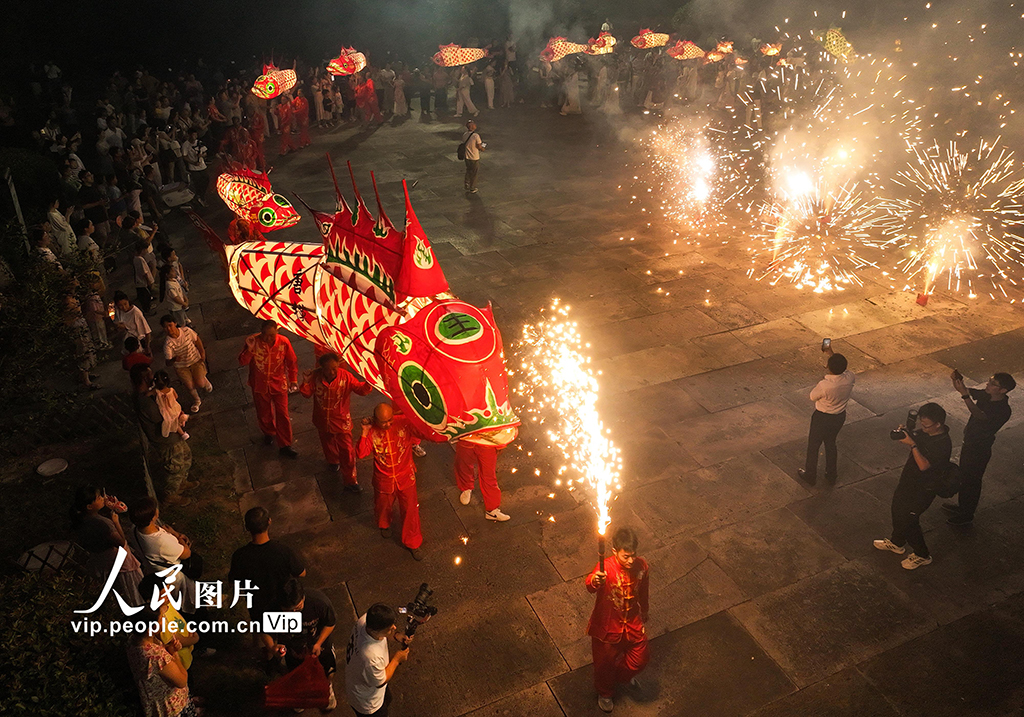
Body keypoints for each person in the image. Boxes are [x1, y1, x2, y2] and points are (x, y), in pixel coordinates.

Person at [874, 402, 952, 570]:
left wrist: (913, 444)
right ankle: (897, 542)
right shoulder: (927, 433)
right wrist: (905, 434)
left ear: (938, 424)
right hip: (908, 481)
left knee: (909, 519)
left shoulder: (942, 444)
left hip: (923, 488)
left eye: (926, 425)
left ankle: (922, 554)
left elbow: (924, 465)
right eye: (921, 423)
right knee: (897, 509)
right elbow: (909, 437)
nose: (922, 428)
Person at [586, 527, 650, 713]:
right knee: (604, 662)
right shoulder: (605, 568)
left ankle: (621, 675)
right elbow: (591, 584)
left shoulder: (642, 566)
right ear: (615, 551)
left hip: (632, 623)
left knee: (640, 658)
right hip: (607, 625)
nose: (631, 560)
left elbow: (643, 590)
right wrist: (595, 581)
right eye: (626, 556)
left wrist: (644, 610)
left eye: (633, 555)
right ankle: (605, 692)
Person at [943, 371, 1015, 525]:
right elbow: (970, 392)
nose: (988, 385)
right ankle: (963, 507)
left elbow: (979, 415)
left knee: (971, 481)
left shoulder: (1002, 410)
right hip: (970, 443)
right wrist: (959, 384)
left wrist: (965, 396)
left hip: (979, 449)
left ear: (1003, 390)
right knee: (965, 477)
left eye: (993, 384)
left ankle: (967, 514)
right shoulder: (987, 396)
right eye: (989, 381)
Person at [357, 403, 424, 560]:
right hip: (384, 478)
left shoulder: (403, 423)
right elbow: (361, 453)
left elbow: (421, 433)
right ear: (375, 420)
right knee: (383, 505)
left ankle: (413, 542)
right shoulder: (372, 430)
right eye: (383, 421)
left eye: (390, 420)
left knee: (411, 511)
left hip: (405, 476)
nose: (387, 424)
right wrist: (364, 431)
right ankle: (384, 523)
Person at [228, 507, 306, 639]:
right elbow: (301, 573)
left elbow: (234, 583)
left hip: (257, 605)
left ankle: (268, 655)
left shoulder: (240, 556)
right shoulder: (282, 551)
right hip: (282, 602)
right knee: (285, 637)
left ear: (247, 527)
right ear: (269, 522)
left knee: (264, 638)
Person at [300, 351, 372, 487]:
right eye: (328, 369)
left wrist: (368, 382)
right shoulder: (315, 377)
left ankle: (351, 480)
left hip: (341, 421)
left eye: (335, 368)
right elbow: (306, 393)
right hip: (321, 419)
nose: (332, 372)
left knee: (347, 451)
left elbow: (360, 390)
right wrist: (305, 380)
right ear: (322, 368)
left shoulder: (346, 377)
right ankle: (333, 461)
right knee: (327, 442)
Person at [126, 582, 196, 717]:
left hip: (154, 703)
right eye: (160, 619)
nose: (163, 620)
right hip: (172, 708)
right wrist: (175, 655)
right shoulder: (155, 656)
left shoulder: (133, 642)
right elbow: (182, 680)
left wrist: (169, 648)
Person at [266, 578, 338, 711]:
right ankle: (300, 698)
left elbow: (330, 623)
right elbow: (265, 631)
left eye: (298, 608)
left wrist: (318, 643)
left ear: (303, 597)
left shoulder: (319, 602)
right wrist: (272, 647)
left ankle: (327, 691)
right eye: (289, 611)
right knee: (296, 676)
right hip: (293, 649)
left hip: (319, 646)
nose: (294, 613)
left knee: (327, 670)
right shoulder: (273, 607)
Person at [131, 364, 196, 506]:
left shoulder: (149, 393)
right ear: (144, 378)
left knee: (185, 456)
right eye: (149, 375)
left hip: (173, 434)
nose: (153, 377)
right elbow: (161, 417)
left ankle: (181, 483)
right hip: (165, 440)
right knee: (174, 467)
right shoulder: (145, 401)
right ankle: (170, 495)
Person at [71, 484, 144, 607]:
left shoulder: (83, 519)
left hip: (100, 557)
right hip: (115, 557)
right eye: (98, 498)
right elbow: (121, 542)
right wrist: (116, 522)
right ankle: (137, 605)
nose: (102, 498)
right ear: (89, 506)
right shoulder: (103, 525)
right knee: (130, 586)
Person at [239, 320, 299, 457]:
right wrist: (249, 349)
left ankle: (285, 444)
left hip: (279, 384)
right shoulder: (253, 341)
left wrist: (293, 379)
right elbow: (242, 361)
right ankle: (268, 432)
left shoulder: (284, 342)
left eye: (272, 335)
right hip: (259, 385)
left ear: (277, 332)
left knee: (283, 413)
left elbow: (292, 361)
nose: (268, 339)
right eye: (265, 335)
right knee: (263, 412)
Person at [797, 347, 855, 485]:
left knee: (814, 446)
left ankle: (810, 475)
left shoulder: (825, 385)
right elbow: (841, 369)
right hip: (839, 417)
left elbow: (812, 396)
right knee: (830, 443)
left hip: (822, 418)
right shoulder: (850, 377)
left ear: (829, 367)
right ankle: (831, 474)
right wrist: (830, 353)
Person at [130, 498, 196, 614]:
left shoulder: (134, 530)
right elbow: (186, 554)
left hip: (154, 571)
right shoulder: (160, 541)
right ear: (153, 516)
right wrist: (180, 538)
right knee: (186, 599)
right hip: (173, 576)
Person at [345, 604, 412, 717]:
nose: (394, 628)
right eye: (390, 629)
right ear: (376, 630)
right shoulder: (370, 657)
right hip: (367, 702)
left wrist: (396, 636)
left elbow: (383, 634)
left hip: (368, 681)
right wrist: (396, 659)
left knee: (388, 699)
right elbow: (380, 682)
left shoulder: (366, 620)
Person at [161, 316, 212, 413]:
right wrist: (174, 359)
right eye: (165, 327)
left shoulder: (186, 331)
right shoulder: (168, 344)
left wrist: (202, 353)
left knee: (200, 383)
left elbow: (197, 340)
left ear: (175, 323)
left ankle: (204, 380)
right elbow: (168, 362)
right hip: (181, 367)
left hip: (194, 360)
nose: (168, 329)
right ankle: (197, 401)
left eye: (170, 325)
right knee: (189, 385)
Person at [454, 437, 510, 521]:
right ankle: (466, 487)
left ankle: (491, 509)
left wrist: (500, 443)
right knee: (463, 464)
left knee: (488, 474)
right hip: (466, 436)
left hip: (487, 440)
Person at [152, 369, 190, 440]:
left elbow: (148, 394)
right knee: (179, 415)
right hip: (174, 407)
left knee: (173, 421)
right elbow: (176, 396)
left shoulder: (156, 392)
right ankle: (182, 423)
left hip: (167, 411)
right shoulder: (171, 390)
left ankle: (182, 433)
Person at [161, 263, 190, 328]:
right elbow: (175, 298)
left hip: (180, 305)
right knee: (180, 320)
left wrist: (185, 299)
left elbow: (180, 291)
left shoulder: (174, 280)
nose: (175, 272)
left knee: (182, 316)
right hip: (175, 308)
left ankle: (185, 325)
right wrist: (184, 303)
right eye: (173, 271)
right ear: (167, 275)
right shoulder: (169, 286)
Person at [461, 120, 484, 194]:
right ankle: (472, 187)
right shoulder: (476, 136)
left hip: (467, 156)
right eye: (474, 124)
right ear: (472, 127)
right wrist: (483, 148)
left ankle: (466, 183)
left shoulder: (465, 134)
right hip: (474, 156)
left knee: (468, 170)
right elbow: (479, 146)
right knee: (474, 173)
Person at [133, 240, 155, 313]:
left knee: (145, 296)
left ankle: (147, 307)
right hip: (143, 282)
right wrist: (149, 281)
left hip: (140, 282)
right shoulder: (140, 259)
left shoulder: (135, 259)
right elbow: (144, 272)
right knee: (146, 297)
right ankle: (147, 310)